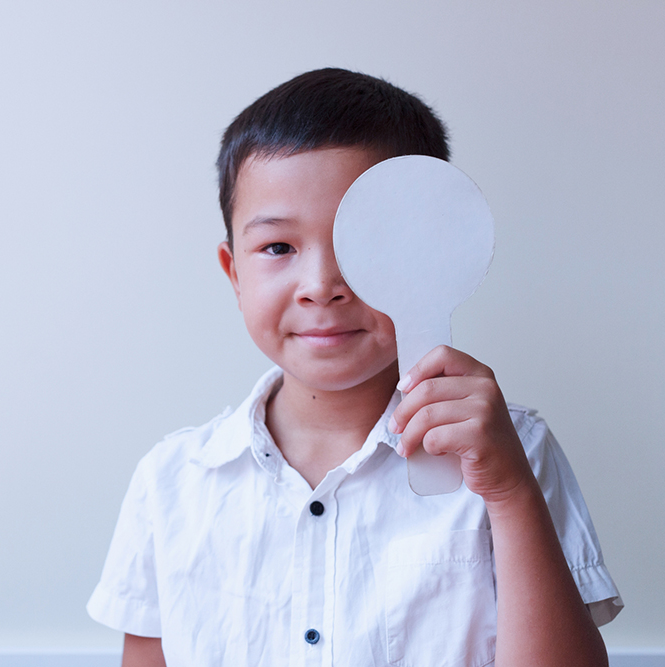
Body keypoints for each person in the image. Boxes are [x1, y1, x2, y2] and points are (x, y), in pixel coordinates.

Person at [87, 68, 622, 667]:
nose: (321, 286)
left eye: (364, 240)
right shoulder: (172, 483)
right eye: (279, 248)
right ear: (234, 272)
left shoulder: (512, 453)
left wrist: (509, 492)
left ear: (433, 257)